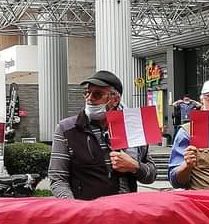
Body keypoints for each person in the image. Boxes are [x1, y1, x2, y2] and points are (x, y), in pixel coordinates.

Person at [48, 70, 157, 199]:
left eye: (97, 94)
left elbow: (151, 176)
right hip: (86, 213)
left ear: (115, 99)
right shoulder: (66, 129)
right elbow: (57, 179)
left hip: (125, 211)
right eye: (87, 93)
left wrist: (135, 167)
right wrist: (74, 208)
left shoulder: (133, 127)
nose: (89, 98)